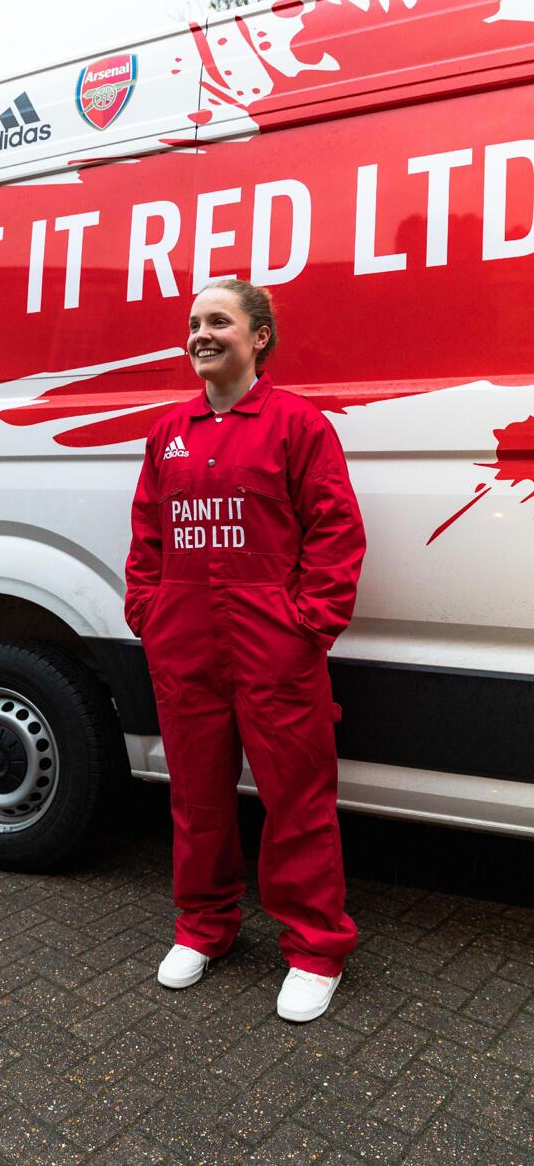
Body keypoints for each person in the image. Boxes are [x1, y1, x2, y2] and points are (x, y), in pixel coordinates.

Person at [124, 278, 366, 1023]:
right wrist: (148, 611)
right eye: (194, 322)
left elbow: (335, 532)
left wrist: (308, 626)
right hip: (186, 648)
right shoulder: (169, 432)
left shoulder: (297, 425)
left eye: (219, 320)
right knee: (196, 799)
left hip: (274, 649)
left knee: (298, 801)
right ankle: (204, 925)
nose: (201, 333)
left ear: (259, 336)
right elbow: (147, 534)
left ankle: (316, 949)